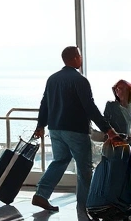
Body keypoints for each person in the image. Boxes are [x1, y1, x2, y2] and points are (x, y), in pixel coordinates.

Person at [32, 46, 117, 212]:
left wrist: (40, 125)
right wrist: (108, 129)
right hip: (76, 130)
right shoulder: (80, 80)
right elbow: (89, 107)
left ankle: (41, 194)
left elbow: (45, 103)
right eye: (79, 55)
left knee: (60, 161)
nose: (81, 58)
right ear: (75, 58)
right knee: (84, 167)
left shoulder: (52, 79)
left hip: (55, 129)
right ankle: (87, 204)